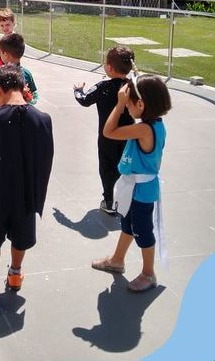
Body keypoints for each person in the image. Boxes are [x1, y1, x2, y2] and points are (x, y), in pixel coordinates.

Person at [0, 65, 53, 307]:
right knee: (21, 236)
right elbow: (46, 154)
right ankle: (15, 274)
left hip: (0, 189)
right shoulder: (43, 119)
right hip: (28, 190)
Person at [91, 74, 172, 293]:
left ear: (141, 104)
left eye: (129, 102)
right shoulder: (153, 125)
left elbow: (108, 131)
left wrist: (118, 105)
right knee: (128, 223)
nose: (126, 106)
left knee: (142, 231)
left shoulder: (144, 129)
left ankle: (148, 273)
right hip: (134, 188)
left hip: (141, 190)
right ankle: (117, 259)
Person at [73, 46, 135, 214]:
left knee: (107, 166)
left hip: (108, 135)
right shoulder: (133, 86)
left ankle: (109, 200)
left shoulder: (103, 86)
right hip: (129, 134)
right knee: (126, 164)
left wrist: (77, 90)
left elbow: (84, 100)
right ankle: (126, 198)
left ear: (109, 67)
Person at [0, 33, 38, 105]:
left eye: (0, 52)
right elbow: (34, 95)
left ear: (5, 55)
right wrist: (29, 100)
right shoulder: (26, 73)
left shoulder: (1, 75)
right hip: (25, 109)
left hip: (8, 110)